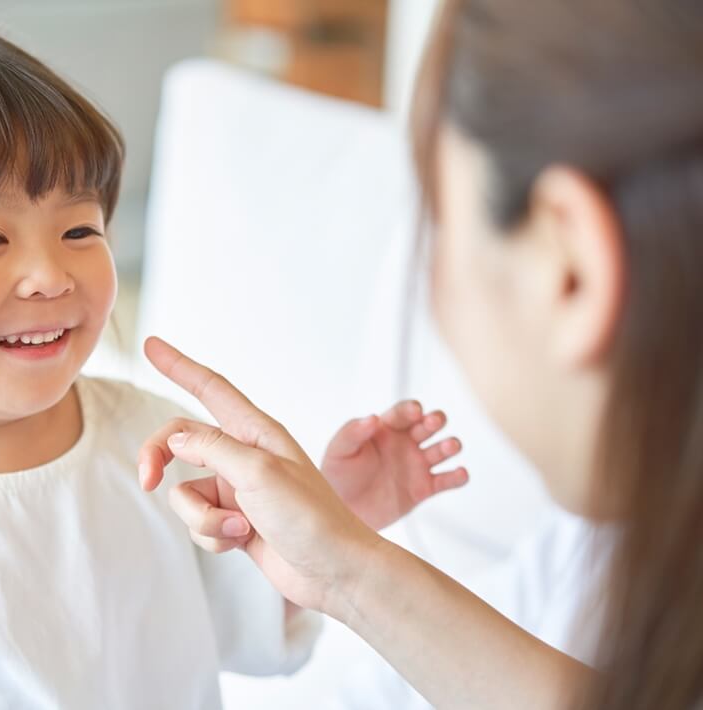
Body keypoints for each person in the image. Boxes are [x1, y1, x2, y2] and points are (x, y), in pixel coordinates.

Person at [0, 29, 467, 709]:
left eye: (78, 229)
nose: (49, 276)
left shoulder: (152, 444)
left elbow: (248, 622)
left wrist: (336, 517)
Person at [138, 1, 703, 708]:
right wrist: (341, 563)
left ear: (570, 273)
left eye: (441, 228)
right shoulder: (591, 551)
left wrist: (348, 568)